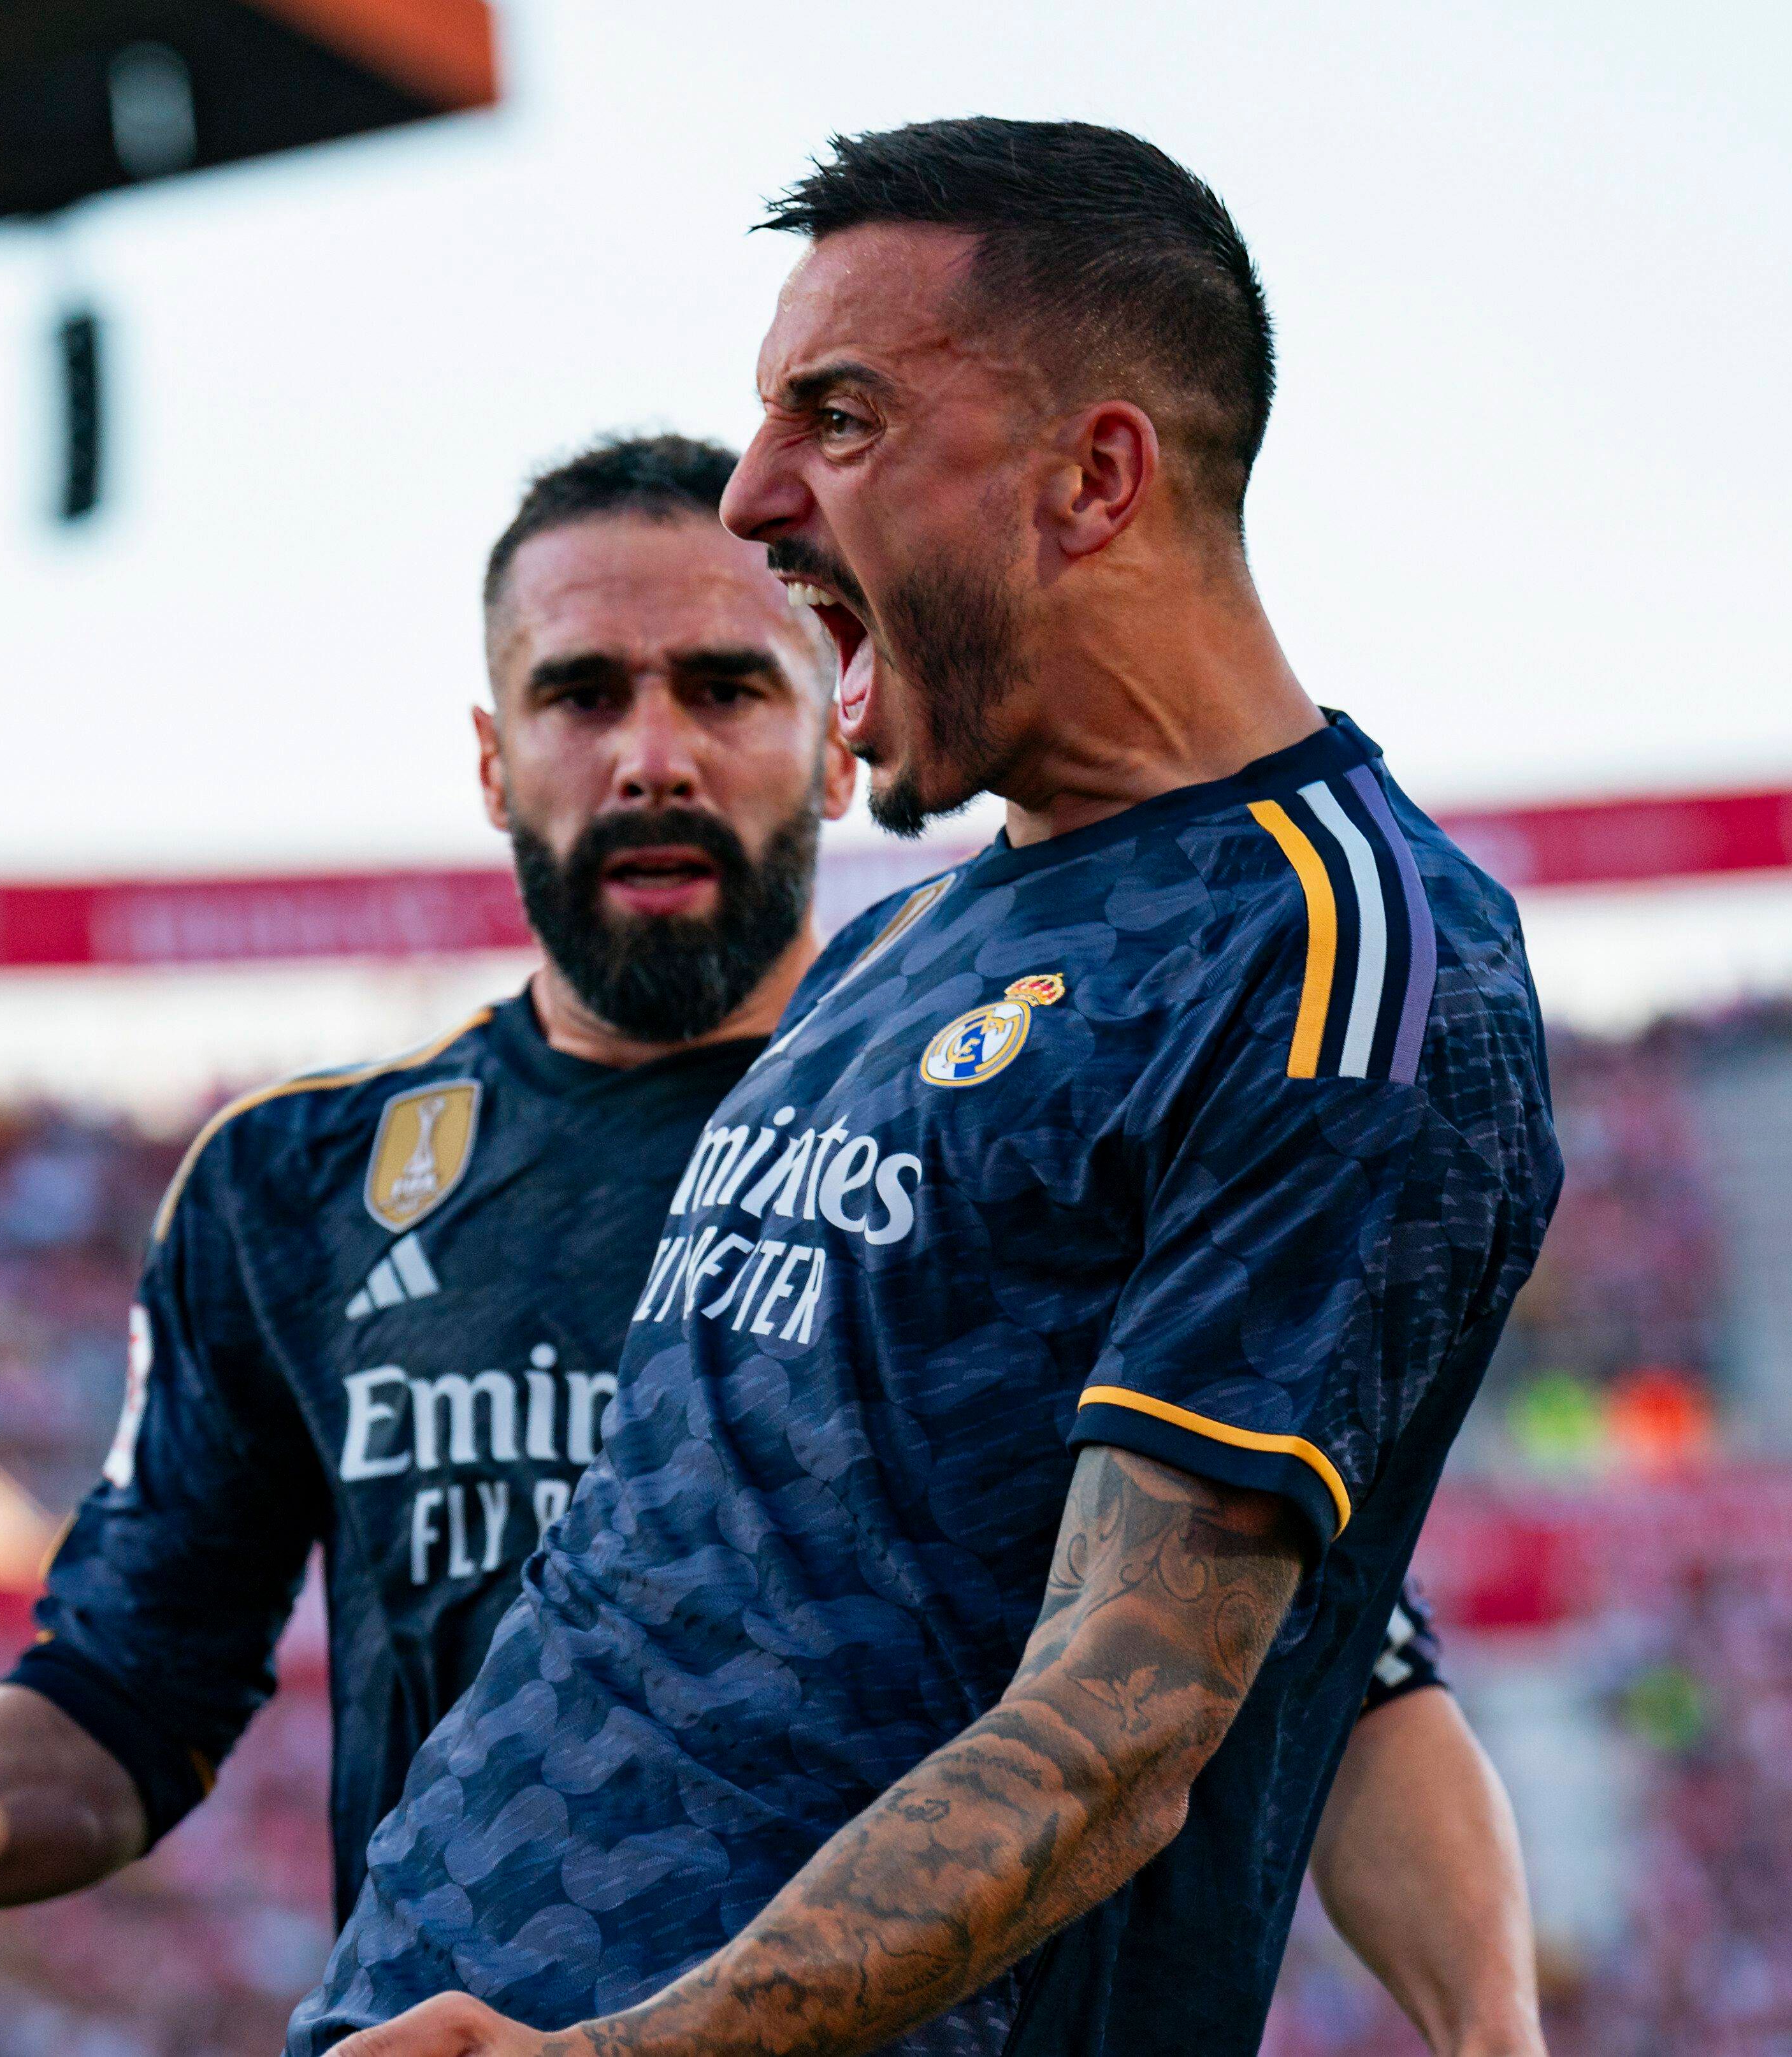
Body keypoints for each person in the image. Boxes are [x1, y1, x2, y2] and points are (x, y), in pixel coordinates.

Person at [0, 432, 1541, 2056]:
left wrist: (1491, 2036)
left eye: (724, 689)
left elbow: (1329, 1667)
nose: (651, 754)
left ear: (835, 735)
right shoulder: (291, 1189)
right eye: (581, 696)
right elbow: (130, 1699)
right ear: (493, 760)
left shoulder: (1019, 1118)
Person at [314, 122, 1562, 2057]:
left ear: (1095, 478)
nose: (751, 497)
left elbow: (1120, 1728)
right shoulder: (900, 947)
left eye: (839, 418)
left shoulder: (1340, 959)